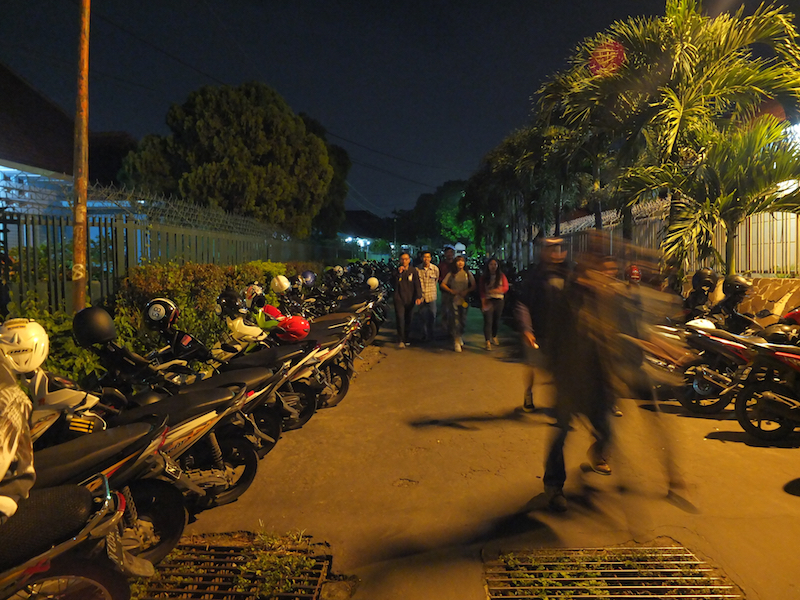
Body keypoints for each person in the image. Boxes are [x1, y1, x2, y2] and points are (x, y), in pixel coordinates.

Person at [514, 238, 570, 412]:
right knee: (533, 364)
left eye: (558, 249)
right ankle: (528, 392)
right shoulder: (535, 275)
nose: (555, 254)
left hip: (559, 332)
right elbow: (523, 303)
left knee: (560, 369)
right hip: (538, 330)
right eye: (551, 250)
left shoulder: (566, 273)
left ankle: (560, 404)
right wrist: (527, 329)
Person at [440, 255, 475, 352]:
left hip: (464, 300)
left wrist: (466, 291)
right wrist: (451, 291)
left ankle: (459, 335)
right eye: (458, 261)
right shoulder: (451, 274)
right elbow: (443, 284)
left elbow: (473, 285)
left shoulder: (468, 273)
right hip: (454, 299)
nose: (460, 263)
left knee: (463, 319)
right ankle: (456, 340)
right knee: (455, 319)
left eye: (462, 261)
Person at [392, 251, 422, 348]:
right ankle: (400, 339)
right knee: (400, 319)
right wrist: (398, 273)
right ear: (400, 260)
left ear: (409, 260)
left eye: (406, 259)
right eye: (402, 259)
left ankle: (407, 338)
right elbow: (392, 283)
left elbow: (417, 284)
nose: (404, 261)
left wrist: (418, 296)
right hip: (399, 298)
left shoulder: (413, 271)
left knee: (409, 319)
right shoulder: (396, 271)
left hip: (410, 298)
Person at [479, 257, 509, 351]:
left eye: (495, 264)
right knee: (488, 321)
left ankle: (494, 336)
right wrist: (483, 303)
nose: (493, 266)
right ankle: (487, 341)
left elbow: (506, 287)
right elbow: (482, 291)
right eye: (491, 264)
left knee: (496, 319)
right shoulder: (484, 277)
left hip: (499, 300)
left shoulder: (501, 276)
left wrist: (497, 290)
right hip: (488, 300)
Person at [416, 250, 439, 343]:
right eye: (424, 257)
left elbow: (436, 280)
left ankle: (431, 334)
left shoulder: (435, 269)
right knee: (422, 316)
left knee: (432, 315)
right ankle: (423, 334)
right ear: (422, 258)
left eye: (428, 257)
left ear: (430, 258)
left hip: (431, 296)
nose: (426, 259)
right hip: (421, 296)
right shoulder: (417, 269)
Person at [438, 246, 456, 335]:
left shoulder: (456, 264)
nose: (449, 254)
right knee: (445, 310)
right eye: (447, 253)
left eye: (451, 252)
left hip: (456, 290)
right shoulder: (441, 265)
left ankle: (453, 329)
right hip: (445, 290)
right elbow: (439, 277)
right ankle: (444, 329)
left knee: (455, 311)